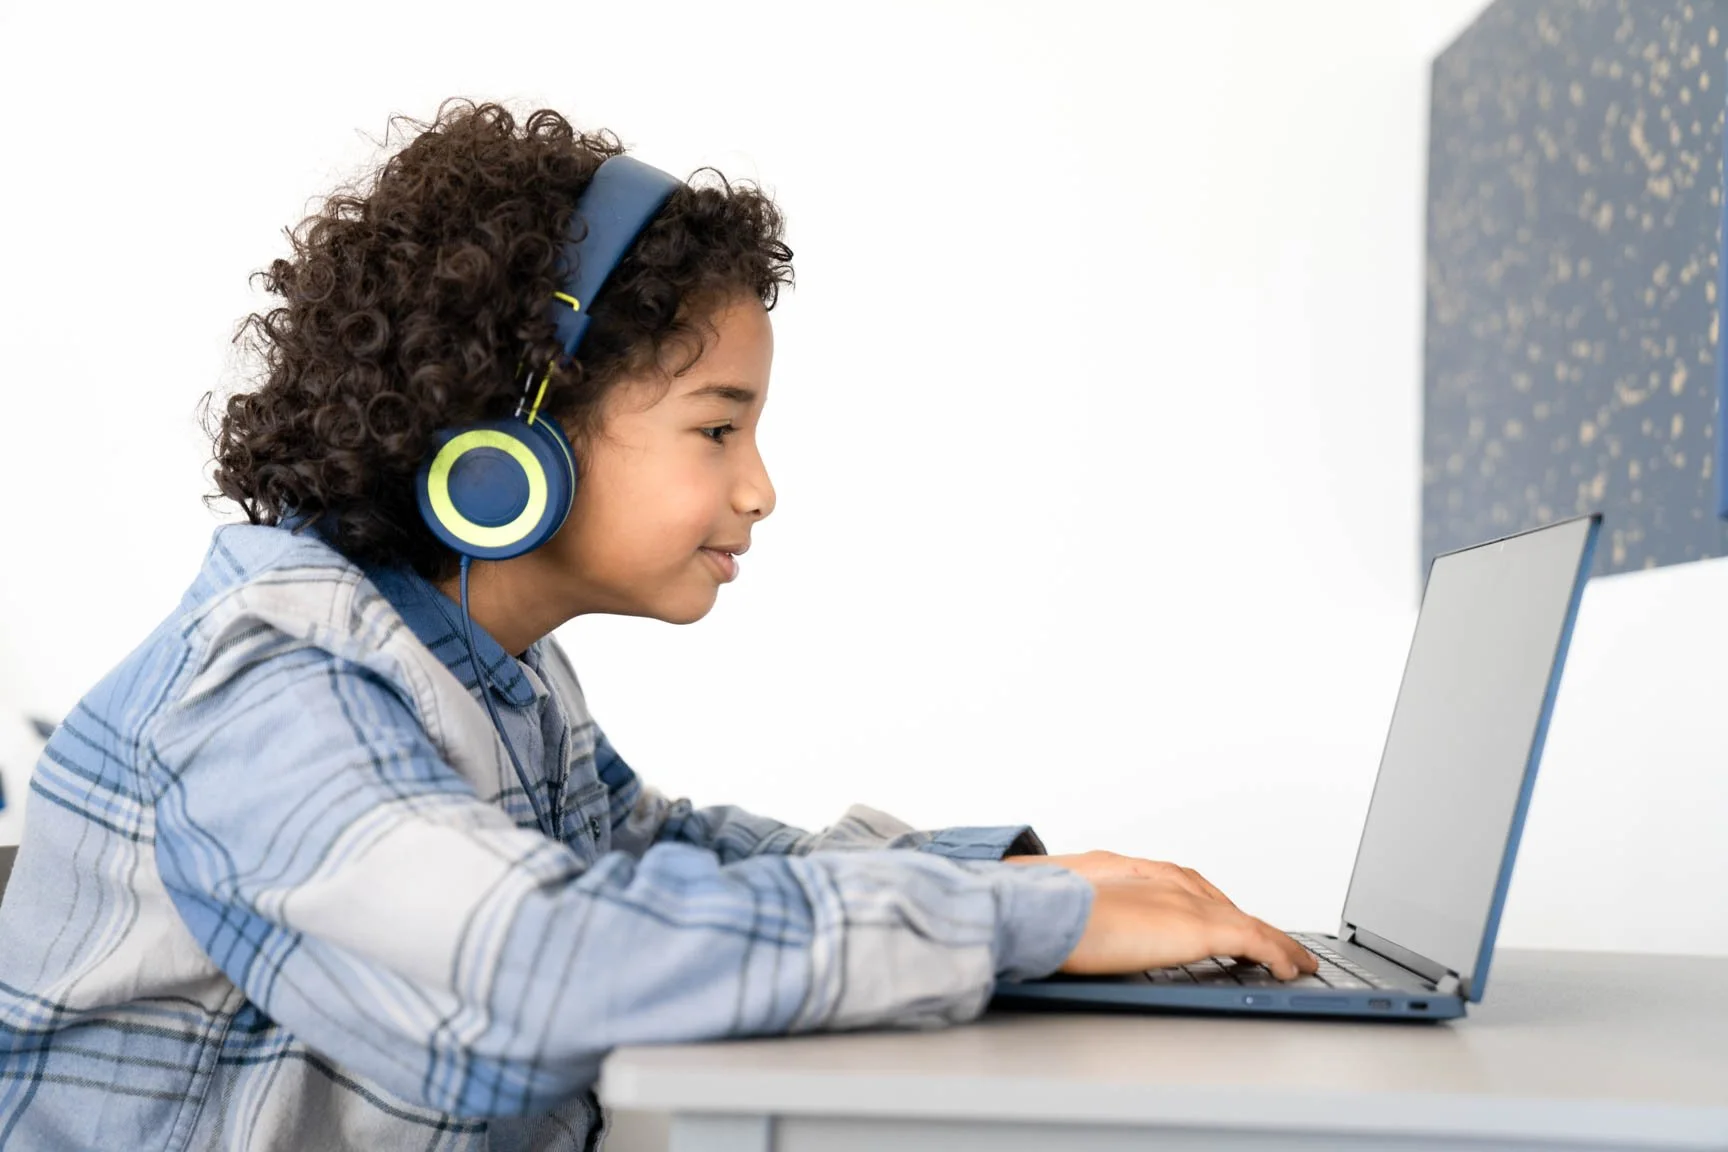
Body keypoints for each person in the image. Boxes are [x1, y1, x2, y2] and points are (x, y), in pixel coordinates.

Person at [0, 100, 1315, 1150]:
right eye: (717, 427)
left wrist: (1008, 885)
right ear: (513, 443)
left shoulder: (487, 665)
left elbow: (653, 852)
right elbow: (544, 963)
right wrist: (1020, 928)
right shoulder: (267, 694)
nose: (761, 487)